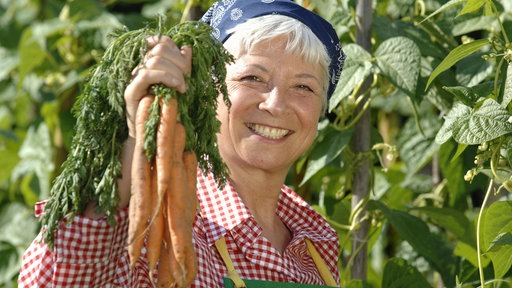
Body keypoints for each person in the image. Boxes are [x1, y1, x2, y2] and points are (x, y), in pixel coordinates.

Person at [18, 0, 346, 287]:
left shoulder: (316, 245)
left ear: (321, 109)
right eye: (252, 78)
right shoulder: (155, 226)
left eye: (304, 87)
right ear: (206, 93)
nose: (276, 104)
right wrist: (136, 138)